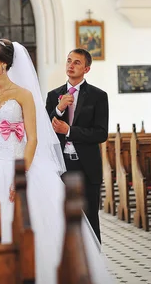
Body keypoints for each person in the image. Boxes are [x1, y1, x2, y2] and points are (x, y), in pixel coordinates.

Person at [0, 39, 113, 284]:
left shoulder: (23, 95)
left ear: (5, 63)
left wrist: (21, 175)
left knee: (29, 224)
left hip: (21, 166)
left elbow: (32, 139)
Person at [46, 48, 108, 243]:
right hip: (61, 164)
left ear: (87, 69)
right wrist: (59, 108)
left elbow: (101, 133)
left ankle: (94, 263)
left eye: (77, 63)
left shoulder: (98, 96)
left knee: (90, 217)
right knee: (63, 217)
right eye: (69, 61)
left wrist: (70, 131)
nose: (70, 66)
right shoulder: (53, 95)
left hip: (87, 166)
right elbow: (45, 129)